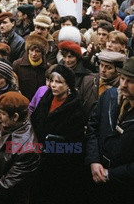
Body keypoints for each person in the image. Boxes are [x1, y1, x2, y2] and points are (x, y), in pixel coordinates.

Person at [30, 64, 85, 204]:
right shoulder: (46, 98)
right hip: (38, 158)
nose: (53, 85)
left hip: (59, 166)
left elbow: (75, 144)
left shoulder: (75, 109)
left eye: (59, 82)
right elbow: (34, 121)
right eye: (52, 81)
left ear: (68, 86)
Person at [85, 56, 134, 204]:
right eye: (122, 78)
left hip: (125, 188)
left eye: (130, 81)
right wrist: (94, 160)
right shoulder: (109, 96)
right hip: (95, 180)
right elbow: (92, 127)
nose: (123, 85)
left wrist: (110, 174)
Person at [79, 50, 126, 122]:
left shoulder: (122, 88)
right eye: (101, 65)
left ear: (118, 71)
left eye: (108, 67)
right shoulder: (88, 80)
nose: (103, 70)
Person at [13, 34, 48, 100]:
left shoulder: (47, 68)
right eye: (31, 50)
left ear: (42, 53)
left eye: (37, 51)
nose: (34, 54)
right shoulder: (17, 65)